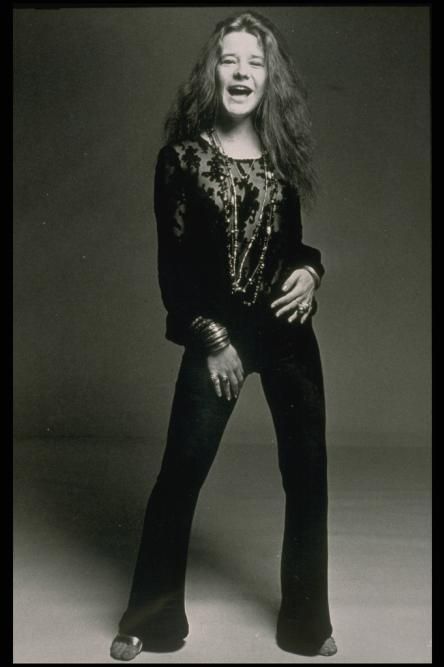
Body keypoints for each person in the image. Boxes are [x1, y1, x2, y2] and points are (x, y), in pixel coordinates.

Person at [110, 10, 337, 661]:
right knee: (180, 474)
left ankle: (306, 624)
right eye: (229, 60)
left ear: (270, 78)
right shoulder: (180, 160)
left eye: (254, 62)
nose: (241, 72)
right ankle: (150, 617)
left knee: (308, 476)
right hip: (218, 337)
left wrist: (311, 271)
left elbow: (293, 246)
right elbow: (175, 271)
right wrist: (213, 340)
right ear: (212, 73)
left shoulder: (282, 159)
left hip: (288, 334)